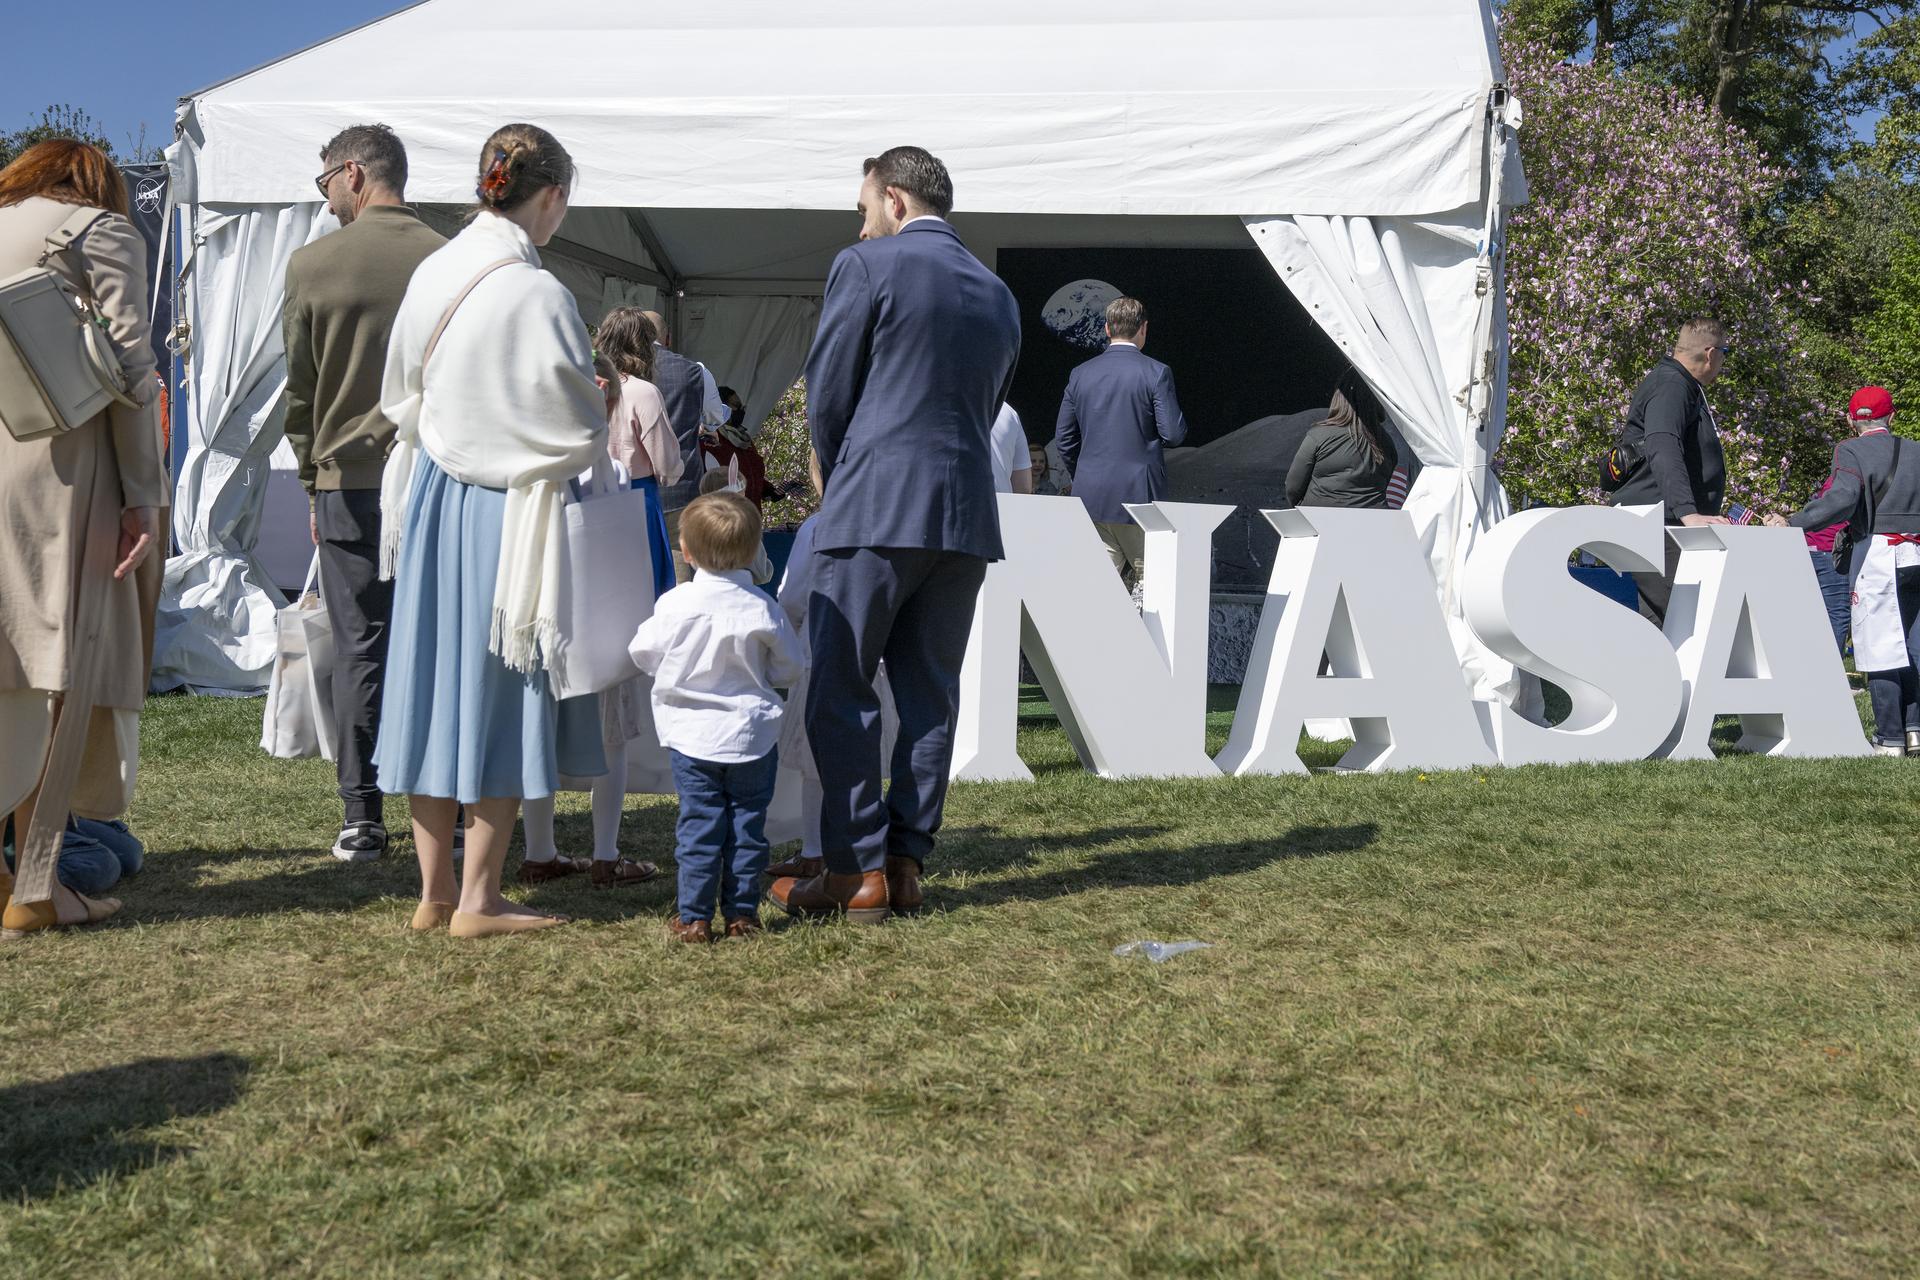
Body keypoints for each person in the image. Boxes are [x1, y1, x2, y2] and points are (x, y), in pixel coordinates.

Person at [769, 145, 1020, 924]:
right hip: (965, 514)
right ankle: (906, 863)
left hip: (876, 503)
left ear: (896, 200)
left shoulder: (867, 266)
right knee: (929, 697)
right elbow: (986, 408)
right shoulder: (999, 291)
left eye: (864, 207)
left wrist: (842, 474)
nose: (863, 223)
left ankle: (856, 870)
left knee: (840, 689)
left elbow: (830, 392)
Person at [374, 123, 609, 939]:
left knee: (434, 684)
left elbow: (400, 389)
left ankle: (433, 891)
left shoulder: (434, 268)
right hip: (511, 513)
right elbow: (578, 421)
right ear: (550, 198)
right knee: (505, 689)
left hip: (436, 498)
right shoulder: (540, 292)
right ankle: (480, 899)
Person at [0, 140, 167, 938]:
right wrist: (143, 497)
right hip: (64, 476)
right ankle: (36, 888)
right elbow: (133, 372)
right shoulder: (99, 232)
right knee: (58, 669)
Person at [282, 124, 446, 863]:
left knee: (361, 648)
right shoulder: (448, 258)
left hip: (347, 481)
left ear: (353, 174)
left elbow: (302, 393)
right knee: (443, 643)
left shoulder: (313, 265)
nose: (324, 204)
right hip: (438, 475)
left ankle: (362, 814)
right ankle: (454, 806)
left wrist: (310, 474)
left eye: (325, 186)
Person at [515, 352, 667, 890]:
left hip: (546, 621)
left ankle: (540, 851)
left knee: (541, 733)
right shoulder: (613, 471)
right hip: (604, 619)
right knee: (612, 741)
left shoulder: (534, 465)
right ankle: (604, 854)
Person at [630, 492, 804, 942]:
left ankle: (694, 916)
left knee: (700, 825)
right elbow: (791, 668)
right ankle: (742, 914)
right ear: (754, 551)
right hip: (752, 736)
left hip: (691, 737)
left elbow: (642, 652)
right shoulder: (764, 608)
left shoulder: (677, 603)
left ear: (685, 551)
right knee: (748, 827)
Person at [1770, 387, 1920, 755]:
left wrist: (1794, 523)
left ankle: (1889, 738)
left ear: (1853, 420)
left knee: (1879, 646)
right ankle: (1915, 729)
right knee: (1915, 645)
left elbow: (1841, 499)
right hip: (1917, 551)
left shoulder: (1850, 449)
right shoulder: (1916, 450)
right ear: (1892, 415)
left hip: (1878, 554)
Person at [1054, 296, 1189, 586]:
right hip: (1137, 498)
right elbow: (1173, 434)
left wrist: (1086, 474)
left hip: (1090, 496)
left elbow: (1064, 438)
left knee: (1098, 590)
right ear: (1143, 328)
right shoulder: (1156, 372)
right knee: (1153, 586)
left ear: (1106, 329)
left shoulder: (1080, 374)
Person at [1607, 317, 1731, 623]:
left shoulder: (1680, 384)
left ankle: (1662, 672)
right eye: (1726, 353)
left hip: (1666, 520)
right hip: (1662, 523)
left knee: (1668, 626)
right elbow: (1663, 446)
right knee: (1688, 620)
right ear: (1711, 353)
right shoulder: (1671, 385)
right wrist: (1688, 513)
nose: (1724, 362)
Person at [640, 309, 727, 582]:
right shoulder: (695, 371)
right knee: (680, 580)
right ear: (667, 338)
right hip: (682, 487)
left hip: (632, 488)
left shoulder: (619, 370)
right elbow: (714, 419)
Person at [1286, 369, 1399, 508]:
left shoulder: (1319, 436)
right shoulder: (1386, 443)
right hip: (1373, 523)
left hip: (1321, 520)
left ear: (1339, 398)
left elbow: (1293, 487)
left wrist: (1304, 511)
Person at [3, 815, 143, 899]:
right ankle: (20, 885)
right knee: (103, 864)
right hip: (12, 827)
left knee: (129, 854)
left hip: (49, 814)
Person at [991, 403, 1033, 495]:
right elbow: (1023, 488)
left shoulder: (953, 402)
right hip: (1000, 505)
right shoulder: (1008, 412)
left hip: (957, 502)